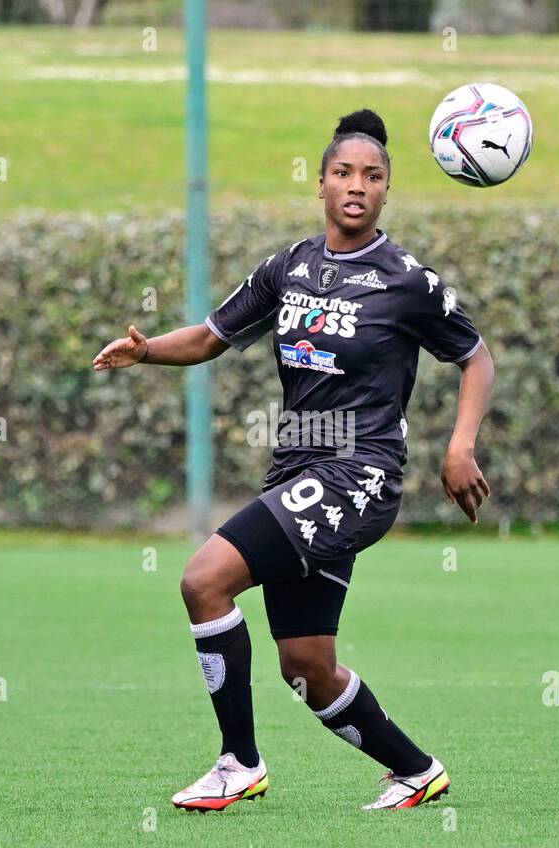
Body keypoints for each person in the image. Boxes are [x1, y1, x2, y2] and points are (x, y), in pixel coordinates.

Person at [93, 108, 493, 811]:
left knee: (203, 580)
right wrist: (148, 349)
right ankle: (415, 770)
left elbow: (475, 356)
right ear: (321, 184)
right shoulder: (289, 268)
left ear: (386, 191)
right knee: (306, 665)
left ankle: (238, 762)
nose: (357, 185)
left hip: (357, 473)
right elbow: (214, 336)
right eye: (344, 172)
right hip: (299, 472)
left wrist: (459, 445)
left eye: (372, 175)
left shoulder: (406, 282)